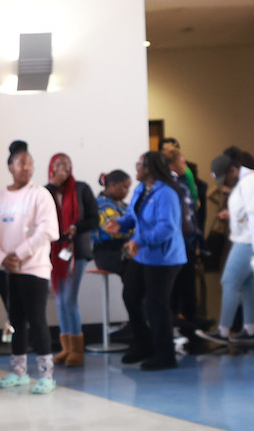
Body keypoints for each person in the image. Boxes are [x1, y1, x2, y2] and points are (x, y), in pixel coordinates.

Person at [0, 140, 60, 392]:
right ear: (10, 166)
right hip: (6, 269)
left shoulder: (40, 194)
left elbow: (48, 230)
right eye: (21, 163)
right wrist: (2, 257)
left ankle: (46, 375)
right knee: (14, 319)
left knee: (37, 320)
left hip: (33, 268)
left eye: (30, 163)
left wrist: (19, 254)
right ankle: (18, 372)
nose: (26, 168)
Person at [120, 148, 186, 371]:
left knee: (156, 305)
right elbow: (132, 215)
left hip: (165, 258)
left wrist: (139, 241)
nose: (136, 168)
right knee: (130, 296)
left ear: (150, 169)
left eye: (140, 164)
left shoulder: (166, 193)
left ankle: (165, 354)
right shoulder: (142, 189)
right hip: (144, 255)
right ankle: (144, 344)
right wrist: (119, 224)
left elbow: (167, 228)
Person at [209, 148, 254, 345]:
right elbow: (246, 212)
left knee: (229, 282)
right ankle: (249, 330)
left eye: (224, 179)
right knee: (245, 285)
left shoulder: (250, 182)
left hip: (251, 241)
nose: (224, 184)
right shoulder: (243, 182)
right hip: (247, 238)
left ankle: (223, 331)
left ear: (233, 171)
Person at [45, 152, 98, 366]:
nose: (63, 169)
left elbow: (94, 218)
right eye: (58, 165)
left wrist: (76, 228)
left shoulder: (81, 189)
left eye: (67, 165)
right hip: (54, 252)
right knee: (59, 300)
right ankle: (66, 348)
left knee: (69, 299)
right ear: (51, 168)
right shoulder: (44, 191)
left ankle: (77, 349)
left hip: (77, 250)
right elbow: (38, 214)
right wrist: (51, 186)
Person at [160, 138, 208, 332]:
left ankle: (189, 318)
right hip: (179, 240)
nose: (186, 166)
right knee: (180, 281)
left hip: (187, 239)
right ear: (173, 163)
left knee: (186, 279)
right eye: (182, 161)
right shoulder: (171, 183)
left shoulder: (179, 180)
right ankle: (182, 320)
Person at [90, 167, 136, 352]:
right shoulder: (101, 205)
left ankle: (137, 319)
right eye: (124, 187)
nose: (126, 192)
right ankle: (135, 319)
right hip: (106, 253)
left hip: (123, 249)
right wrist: (131, 230)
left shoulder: (122, 206)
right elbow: (113, 231)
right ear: (113, 185)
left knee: (140, 268)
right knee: (134, 269)